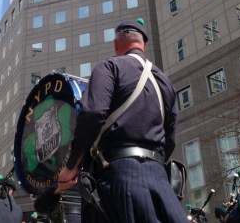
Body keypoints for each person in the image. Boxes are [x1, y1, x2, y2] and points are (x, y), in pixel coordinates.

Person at [56, 18, 188, 222]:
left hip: (116, 178)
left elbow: (93, 114)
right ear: (144, 45)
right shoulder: (165, 83)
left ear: (116, 45)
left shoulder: (109, 67)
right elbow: (169, 139)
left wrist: (72, 165)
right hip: (160, 181)